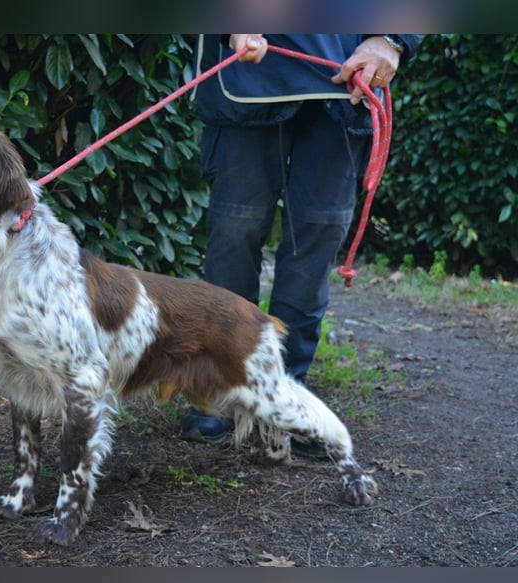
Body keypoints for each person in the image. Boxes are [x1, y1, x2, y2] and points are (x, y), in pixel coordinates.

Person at [181, 34, 424, 448]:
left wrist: (392, 40)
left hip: (345, 80)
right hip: (247, 77)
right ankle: (224, 380)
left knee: (317, 235)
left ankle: (288, 390)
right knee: (235, 232)